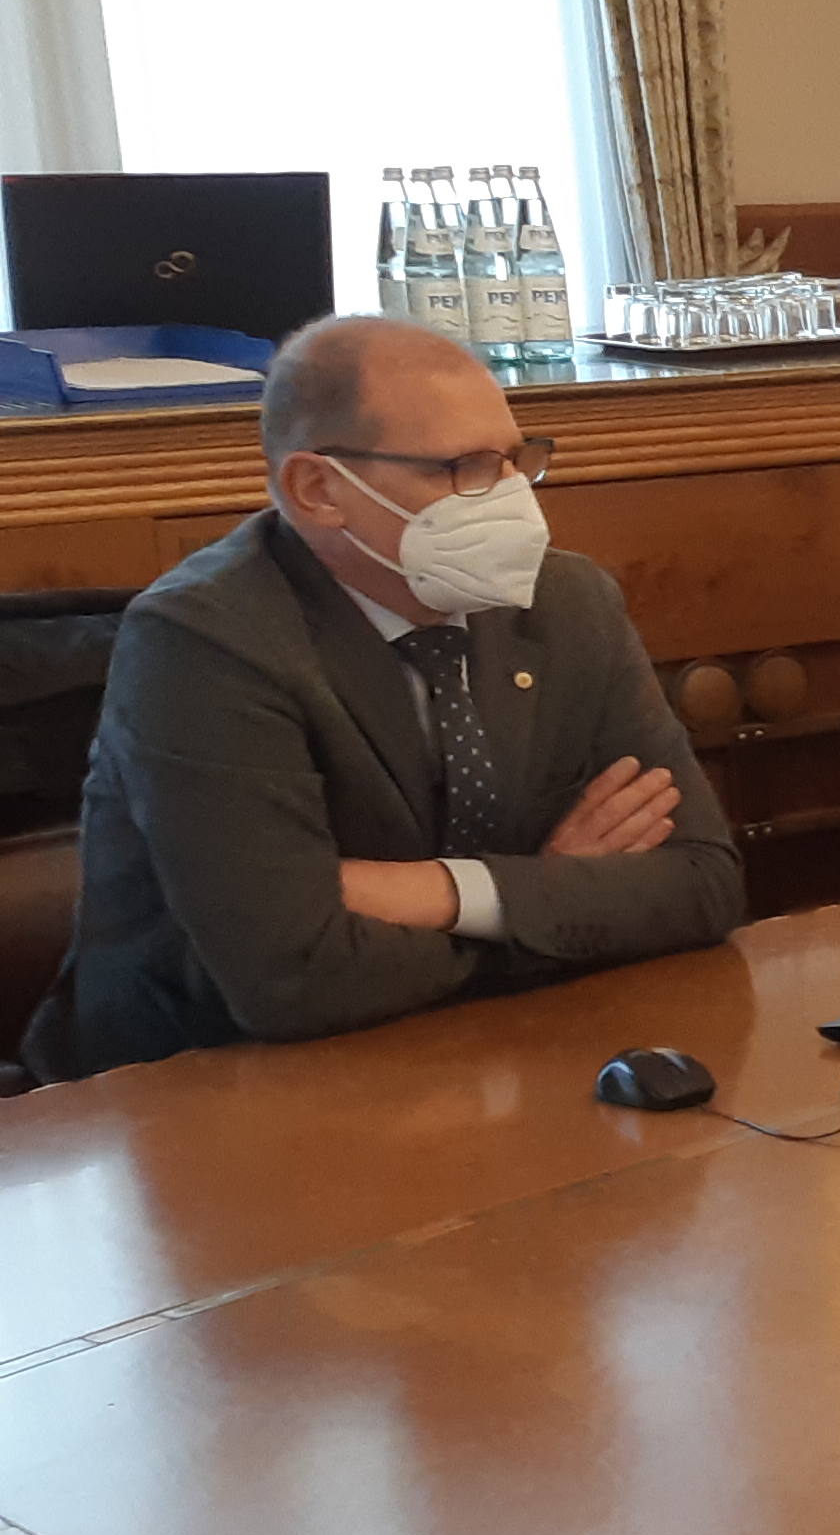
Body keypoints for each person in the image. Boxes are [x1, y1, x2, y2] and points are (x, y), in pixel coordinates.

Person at [24, 314, 743, 1081]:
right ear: (318, 491)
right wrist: (553, 901)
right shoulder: (205, 642)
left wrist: (442, 891)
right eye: (462, 468)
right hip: (198, 1088)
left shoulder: (568, 602)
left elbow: (703, 885)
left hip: (489, 1058)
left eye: (515, 460)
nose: (508, 497)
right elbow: (293, 980)